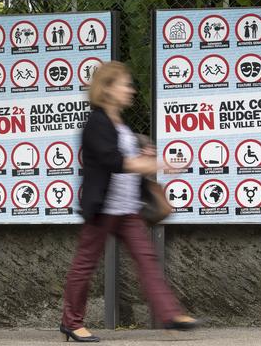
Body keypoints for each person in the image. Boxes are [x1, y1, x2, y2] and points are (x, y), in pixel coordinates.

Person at [60, 61, 200, 342]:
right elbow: (113, 161)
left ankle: (170, 315)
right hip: (102, 209)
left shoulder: (120, 124)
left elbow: (127, 157)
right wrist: (155, 163)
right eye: (125, 84)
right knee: (85, 265)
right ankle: (71, 322)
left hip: (127, 207)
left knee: (147, 259)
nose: (131, 90)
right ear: (108, 89)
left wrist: (145, 154)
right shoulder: (95, 123)